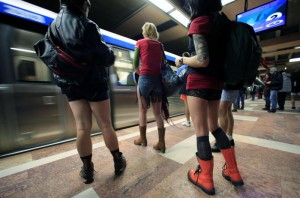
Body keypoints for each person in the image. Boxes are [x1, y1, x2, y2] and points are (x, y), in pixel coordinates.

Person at [49, 0, 126, 184]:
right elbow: (106, 57)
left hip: (71, 85)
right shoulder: (87, 25)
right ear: (82, 4)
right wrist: (110, 52)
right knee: (106, 125)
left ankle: (87, 169)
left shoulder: (53, 27)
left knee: (82, 127)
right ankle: (118, 161)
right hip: (94, 83)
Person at [175, 0, 243, 195]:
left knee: (202, 131)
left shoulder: (199, 21)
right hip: (216, 83)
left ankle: (205, 178)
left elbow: (202, 59)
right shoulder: (222, 22)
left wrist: (181, 60)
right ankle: (233, 171)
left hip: (198, 82)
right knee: (215, 126)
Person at [133, 22, 166, 153]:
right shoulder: (160, 45)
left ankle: (143, 139)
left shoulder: (139, 43)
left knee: (142, 111)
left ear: (145, 31)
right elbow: (163, 63)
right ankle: (161, 143)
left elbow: (135, 63)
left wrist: (140, 73)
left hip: (145, 79)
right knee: (158, 113)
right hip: (157, 80)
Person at [211, 83, 243, 153]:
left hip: (228, 86)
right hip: (234, 85)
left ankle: (220, 142)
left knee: (222, 110)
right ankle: (229, 138)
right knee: (228, 110)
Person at [176, 52, 191, 127]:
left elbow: (176, 78)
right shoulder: (192, 66)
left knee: (187, 106)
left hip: (185, 88)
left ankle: (187, 121)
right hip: (193, 88)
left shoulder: (182, 68)